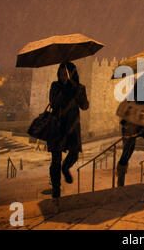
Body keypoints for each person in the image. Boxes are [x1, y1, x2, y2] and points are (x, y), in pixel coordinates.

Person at [48, 62, 89, 198]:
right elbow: (54, 103)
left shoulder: (79, 87)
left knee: (74, 154)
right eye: (61, 74)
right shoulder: (55, 86)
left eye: (66, 74)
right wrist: (65, 89)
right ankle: (56, 189)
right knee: (55, 160)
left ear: (73, 75)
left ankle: (65, 168)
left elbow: (85, 106)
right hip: (58, 127)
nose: (63, 77)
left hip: (72, 127)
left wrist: (76, 90)